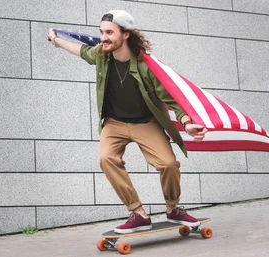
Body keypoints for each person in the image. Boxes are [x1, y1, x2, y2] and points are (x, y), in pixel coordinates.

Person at [46, 10, 208, 234]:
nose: (103, 38)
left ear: (126, 35)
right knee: (107, 158)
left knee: (168, 164)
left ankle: (173, 209)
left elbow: (171, 98)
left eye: (109, 33)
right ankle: (138, 213)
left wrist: (187, 123)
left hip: (145, 123)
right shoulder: (102, 55)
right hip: (114, 123)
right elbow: (81, 50)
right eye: (102, 32)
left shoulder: (146, 66)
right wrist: (56, 40)